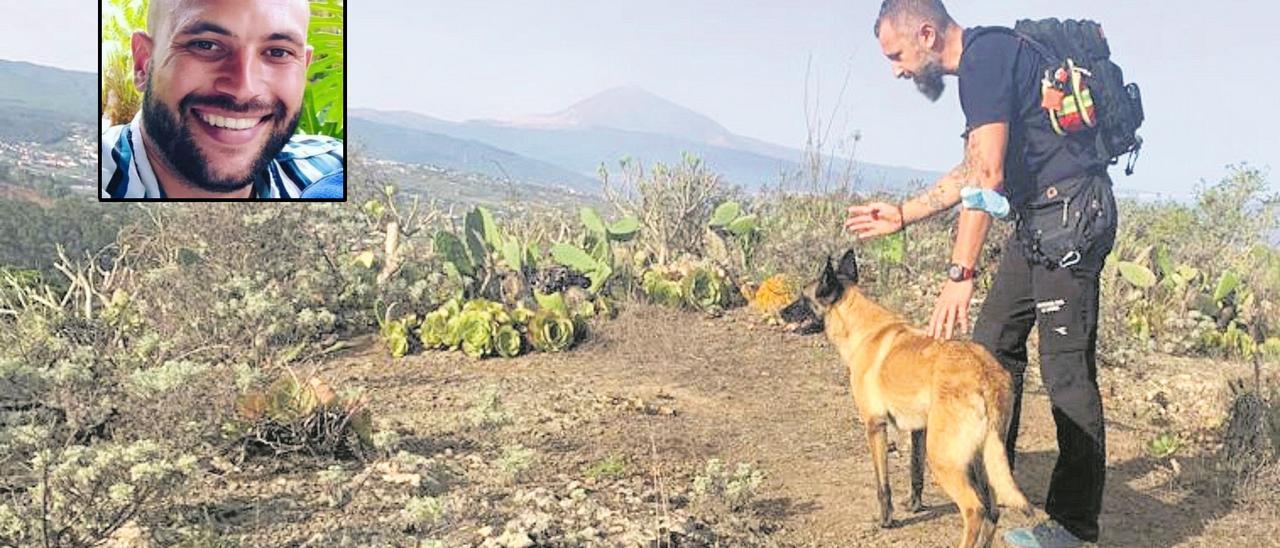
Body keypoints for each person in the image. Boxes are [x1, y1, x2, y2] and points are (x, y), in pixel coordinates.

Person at [846, 1, 1118, 546]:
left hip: (1069, 219)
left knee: (1066, 373)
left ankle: (1073, 527)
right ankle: (991, 497)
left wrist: (960, 271)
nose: (897, 70)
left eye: (897, 55)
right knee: (992, 344)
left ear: (925, 33)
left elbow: (989, 175)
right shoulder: (987, 66)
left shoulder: (984, 60)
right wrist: (904, 214)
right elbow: (974, 164)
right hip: (1036, 222)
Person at [101, 0, 343, 200]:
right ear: (143, 63)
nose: (243, 89)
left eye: (278, 52)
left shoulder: (333, 170)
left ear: (304, 66)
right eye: (205, 45)